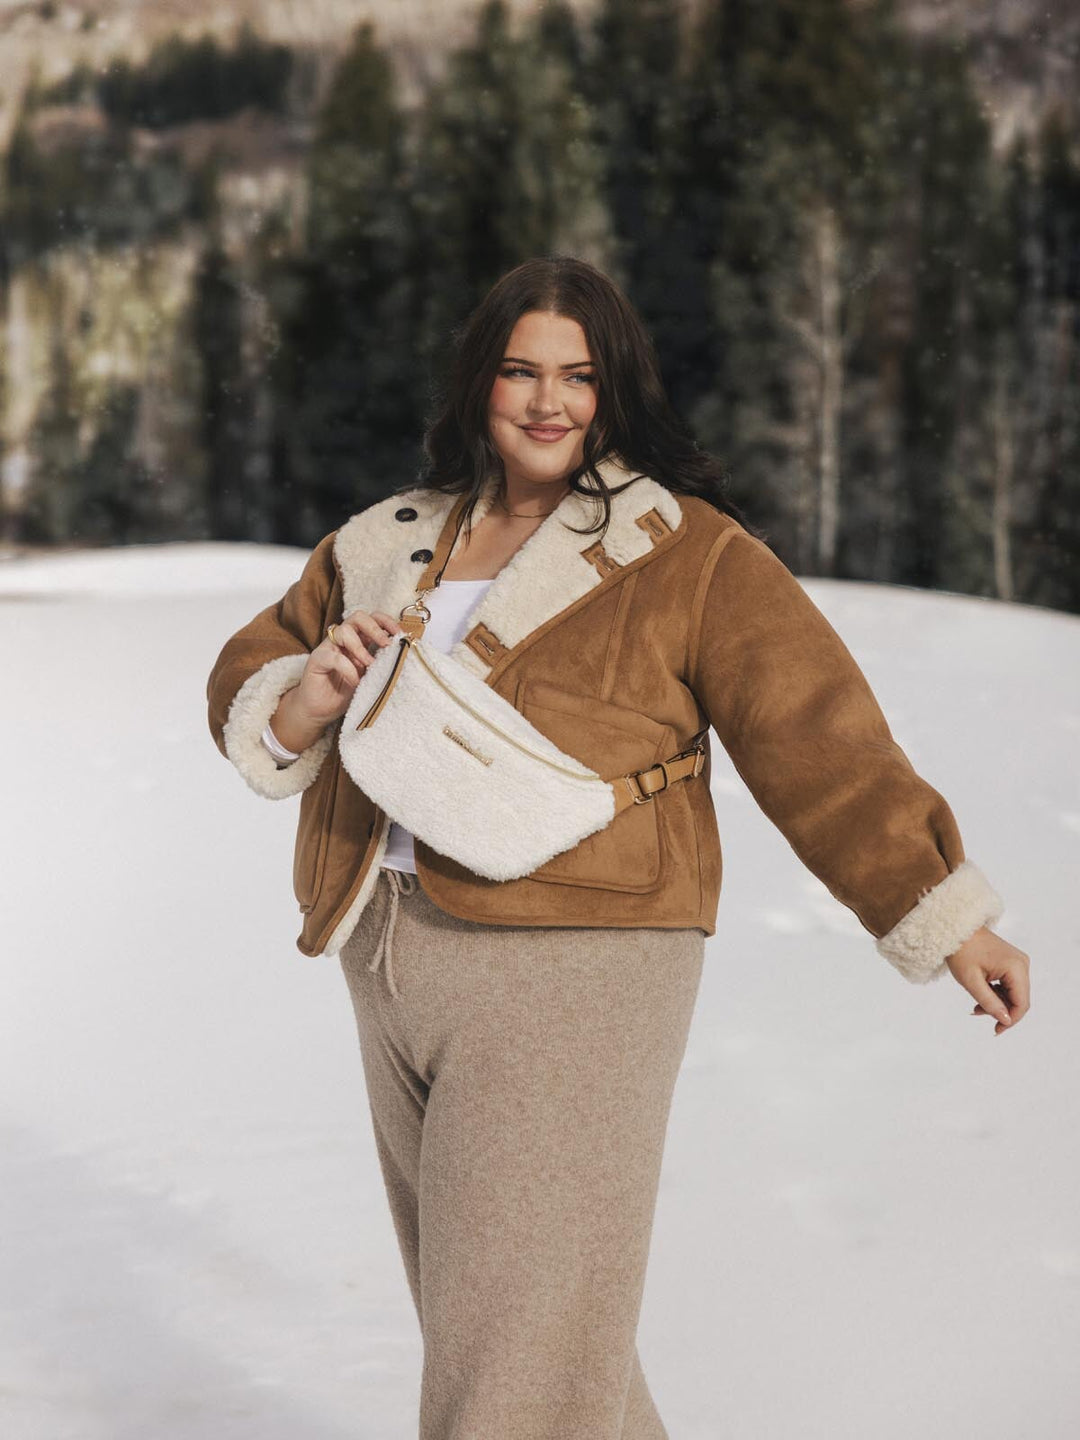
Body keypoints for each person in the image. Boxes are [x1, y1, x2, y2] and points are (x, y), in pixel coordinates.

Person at [206, 255, 1030, 1438]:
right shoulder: (386, 539)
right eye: (522, 371)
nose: (550, 402)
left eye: (579, 376)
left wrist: (946, 914)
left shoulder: (685, 551)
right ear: (479, 381)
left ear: (615, 390)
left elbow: (817, 736)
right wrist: (306, 694)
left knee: (512, 1359)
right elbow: (252, 671)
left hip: (581, 961)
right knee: (522, 1336)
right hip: (385, 950)